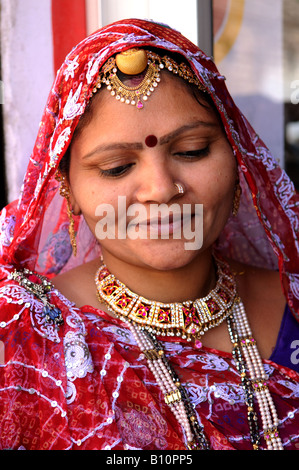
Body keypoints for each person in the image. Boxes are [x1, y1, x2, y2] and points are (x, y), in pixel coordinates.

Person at [0, 18, 298, 451]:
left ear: (238, 160)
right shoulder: (26, 337)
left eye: (192, 151)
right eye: (116, 167)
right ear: (69, 189)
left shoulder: (294, 302)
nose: (161, 189)